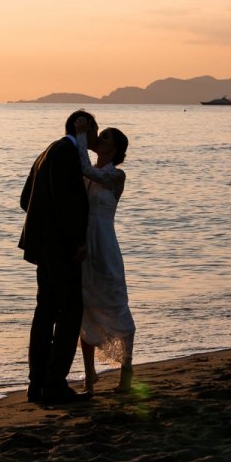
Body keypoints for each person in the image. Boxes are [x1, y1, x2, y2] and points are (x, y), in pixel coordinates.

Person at [19, 110, 98, 404]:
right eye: (93, 129)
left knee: (45, 312)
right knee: (70, 312)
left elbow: (25, 199)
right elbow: (68, 204)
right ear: (82, 129)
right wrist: (76, 241)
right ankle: (54, 384)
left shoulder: (46, 152)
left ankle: (37, 384)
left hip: (42, 246)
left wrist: (43, 225)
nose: (95, 136)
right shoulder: (66, 153)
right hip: (61, 247)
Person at [74, 118, 135, 393]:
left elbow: (88, 169)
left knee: (115, 304)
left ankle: (127, 371)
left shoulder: (115, 175)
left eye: (106, 136)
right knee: (84, 308)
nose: (101, 137)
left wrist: (79, 136)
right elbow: (83, 171)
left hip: (105, 244)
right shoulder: (84, 175)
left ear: (114, 148)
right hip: (84, 244)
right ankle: (89, 376)